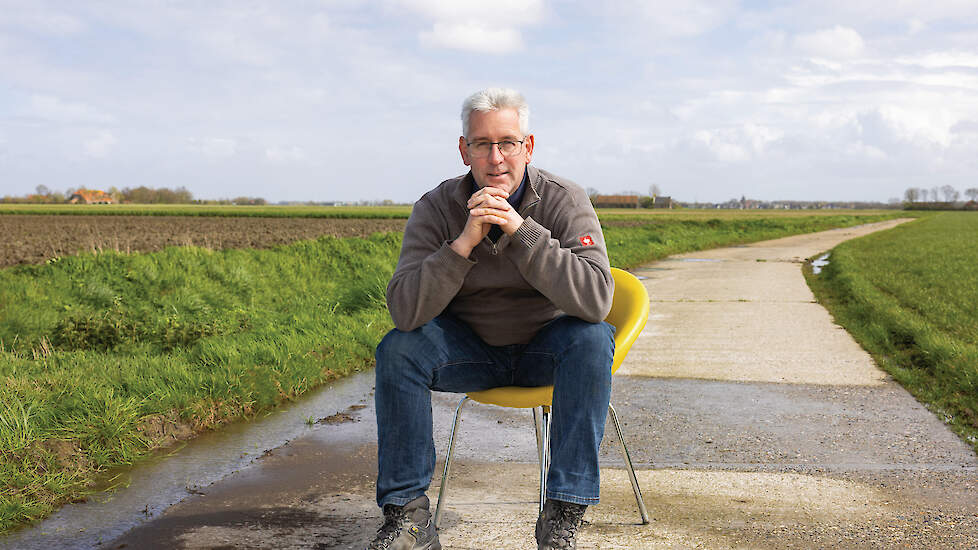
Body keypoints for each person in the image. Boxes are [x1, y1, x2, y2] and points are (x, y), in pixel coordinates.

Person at [367, 87, 615, 550]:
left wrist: (522, 232)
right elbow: (405, 311)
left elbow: (596, 299)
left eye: (508, 143)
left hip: (547, 348)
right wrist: (463, 243)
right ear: (464, 151)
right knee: (398, 349)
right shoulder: (436, 207)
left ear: (529, 146)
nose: (496, 158)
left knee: (592, 338)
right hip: (470, 352)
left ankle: (563, 513)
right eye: (482, 144)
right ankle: (408, 518)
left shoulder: (565, 199)